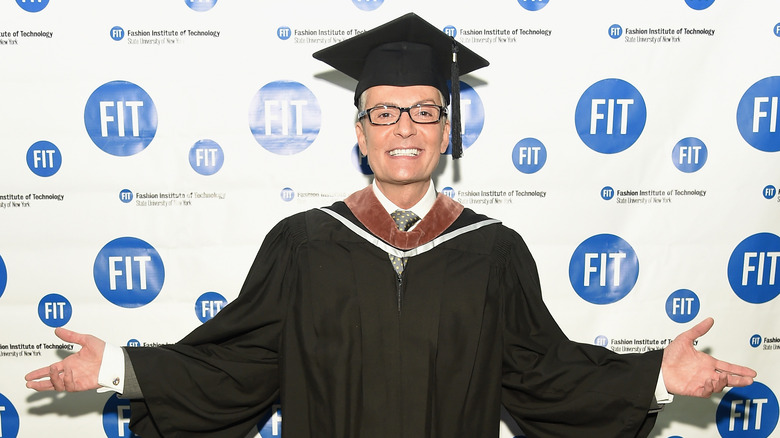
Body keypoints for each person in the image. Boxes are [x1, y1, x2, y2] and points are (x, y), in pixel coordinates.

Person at [25, 13, 756, 438]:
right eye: (383, 111)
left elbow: (542, 376)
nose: (403, 127)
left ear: (448, 131)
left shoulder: (494, 252)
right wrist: (123, 367)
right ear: (361, 131)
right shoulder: (304, 244)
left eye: (424, 111)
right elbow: (241, 366)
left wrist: (657, 376)